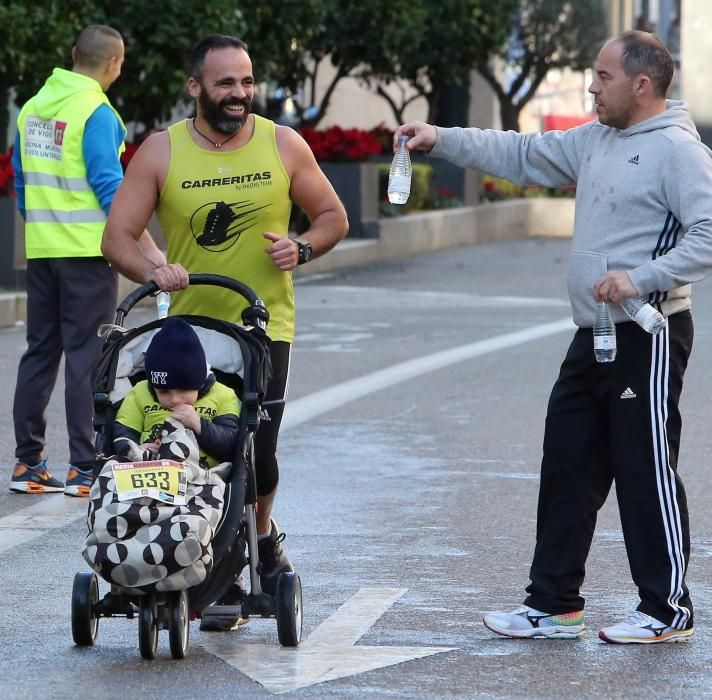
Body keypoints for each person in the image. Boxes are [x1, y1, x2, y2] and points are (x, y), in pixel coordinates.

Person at [396, 30, 712, 644]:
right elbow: (522, 154)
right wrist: (441, 139)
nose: (592, 87)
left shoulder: (677, 150)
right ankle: (554, 604)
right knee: (567, 465)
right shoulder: (598, 139)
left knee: (645, 470)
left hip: (647, 335)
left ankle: (667, 610)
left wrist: (642, 277)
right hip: (592, 334)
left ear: (641, 85)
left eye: (603, 77)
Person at [100, 35, 348, 606]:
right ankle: (205, 554)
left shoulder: (283, 144)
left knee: (255, 449)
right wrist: (153, 270)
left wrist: (302, 248)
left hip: (263, 327)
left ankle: (260, 540)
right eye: (226, 83)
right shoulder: (160, 152)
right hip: (188, 333)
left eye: (246, 81)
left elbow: (333, 216)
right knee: (188, 440)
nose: (240, 94)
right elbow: (116, 238)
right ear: (196, 88)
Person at [9, 25, 165, 497]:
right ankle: (83, 465)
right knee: (87, 357)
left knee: (40, 352)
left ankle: (27, 463)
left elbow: (20, 183)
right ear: (115, 64)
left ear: (74, 53)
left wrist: (46, 225)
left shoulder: (32, 107)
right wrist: (149, 250)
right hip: (87, 254)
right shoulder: (97, 111)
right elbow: (110, 188)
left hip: (42, 249)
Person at [113, 317, 239, 467]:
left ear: (199, 384)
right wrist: (132, 450)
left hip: (203, 476)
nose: (174, 399)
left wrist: (199, 425)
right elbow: (122, 432)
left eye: (183, 390)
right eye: (163, 392)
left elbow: (232, 445)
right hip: (148, 472)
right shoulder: (140, 392)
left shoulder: (223, 395)